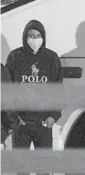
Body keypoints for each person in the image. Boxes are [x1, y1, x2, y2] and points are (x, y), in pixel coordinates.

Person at [5, 20, 63, 151]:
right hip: (21, 123)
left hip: (44, 123)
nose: (34, 39)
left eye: (38, 36)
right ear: (25, 37)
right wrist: (13, 118)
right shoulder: (15, 57)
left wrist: (54, 116)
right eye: (30, 36)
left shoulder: (51, 58)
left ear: (43, 37)